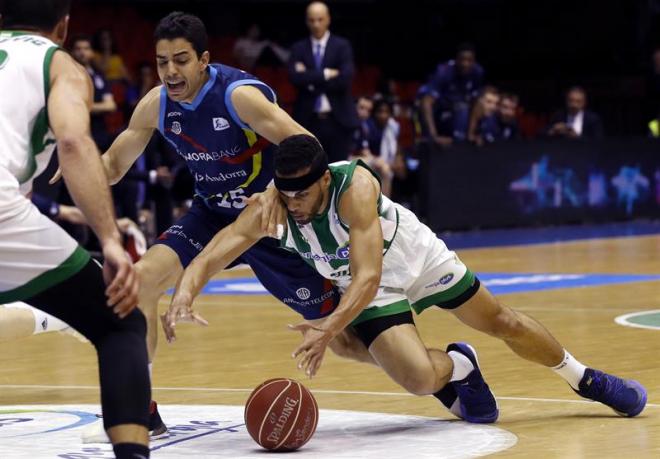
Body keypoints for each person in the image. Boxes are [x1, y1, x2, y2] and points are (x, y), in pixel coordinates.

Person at [165, 134, 648, 425]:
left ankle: (583, 378)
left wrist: (328, 327)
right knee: (417, 379)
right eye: (286, 194)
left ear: (325, 181)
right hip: (371, 288)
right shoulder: (271, 207)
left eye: (303, 194)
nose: (294, 204)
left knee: (503, 321)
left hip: (412, 258)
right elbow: (219, 247)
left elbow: (369, 275)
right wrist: (186, 288)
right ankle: (460, 367)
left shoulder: (354, 185)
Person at [67, 11, 342, 441]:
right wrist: (71, 165)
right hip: (211, 213)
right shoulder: (156, 104)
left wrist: (274, 190)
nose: (170, 72)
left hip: (265, 218)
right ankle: (140, 411)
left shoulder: (237, 97)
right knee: (140, 284)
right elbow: (114, 165)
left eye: (180, 60)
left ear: (203, 60)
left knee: (343, 335)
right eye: (162, 62)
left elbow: (306, 146)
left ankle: (447, 378)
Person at [0, 1, 150, 458]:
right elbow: (73, 142)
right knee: (120, 322)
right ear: (62, 27)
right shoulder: (58, 62)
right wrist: (110, 240)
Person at [288, 1, 359, 163]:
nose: (316, 24)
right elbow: (295, 78)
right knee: (309, 169)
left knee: (339, 170)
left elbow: (344, 79)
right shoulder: (298, 48)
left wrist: (309, 78)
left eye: (320, 19)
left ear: (328, 19)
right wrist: (326, 73)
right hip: (308, 119)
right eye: (312, 20)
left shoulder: (342, 46)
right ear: (307, 21)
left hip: (338, 119)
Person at [420, 43, 485, 146]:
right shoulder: (443, 72)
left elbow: (475, 102)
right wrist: (434, 136)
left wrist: (471, 133)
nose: (465, 64)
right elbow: (426, 102)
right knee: (462, 112)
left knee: (484, 108)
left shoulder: (477, 72)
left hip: (461, 114)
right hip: (440, 114)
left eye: (469, 60)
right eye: (462, 59)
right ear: (456, 59)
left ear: (474, 61)